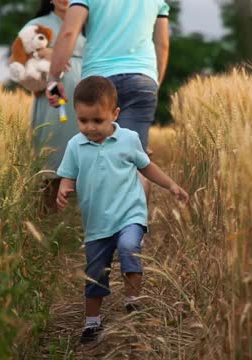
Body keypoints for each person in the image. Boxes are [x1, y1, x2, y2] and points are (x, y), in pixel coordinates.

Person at [55, 76, 189, 344]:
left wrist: (171, 184)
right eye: (83, 121)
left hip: (130, 212)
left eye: (97, 121)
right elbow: (68, 175)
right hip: (97, 223)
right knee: (95, 272)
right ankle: (92, 322)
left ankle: (132, 300)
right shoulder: (74, 146)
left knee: (129, 247)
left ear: (115, 114)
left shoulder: (129, 139)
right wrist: (64, 189)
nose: (90, 127)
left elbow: (146, 167)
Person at [46, 0, 170, 197]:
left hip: (98, 80)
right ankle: (135, 225)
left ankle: (104, 223)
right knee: (134, 161)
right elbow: (162, 45)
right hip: (141, 78)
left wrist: (53, 78)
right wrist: (153, 83)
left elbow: (69, 33)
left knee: (97, 160)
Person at [19, 0, 86, 211]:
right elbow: (18, 61)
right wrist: (41, 53)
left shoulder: (87, 23)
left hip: (86, 96)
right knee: (53, 150)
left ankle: (80, 215)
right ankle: (48, 212)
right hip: (53, 100)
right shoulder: (37, 25)